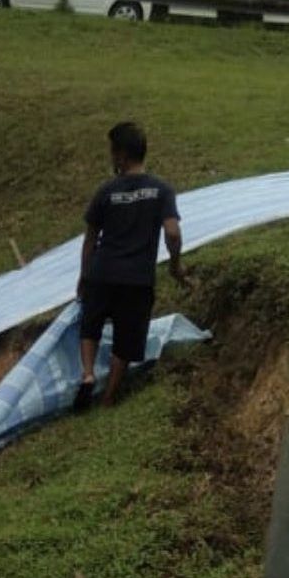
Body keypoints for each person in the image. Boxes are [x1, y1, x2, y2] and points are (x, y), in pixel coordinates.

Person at [75, 121, 187, 410]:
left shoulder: (105, 191)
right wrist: (175, 265)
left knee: (91, 325)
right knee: (126, 340)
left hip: (102, 272)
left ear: (122, 156)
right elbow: (173, 232)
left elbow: (90, 240)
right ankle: (108, 397)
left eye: (112, 153)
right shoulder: (162, 190)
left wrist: (85, 276)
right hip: (136, 279)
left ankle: (87, 374)